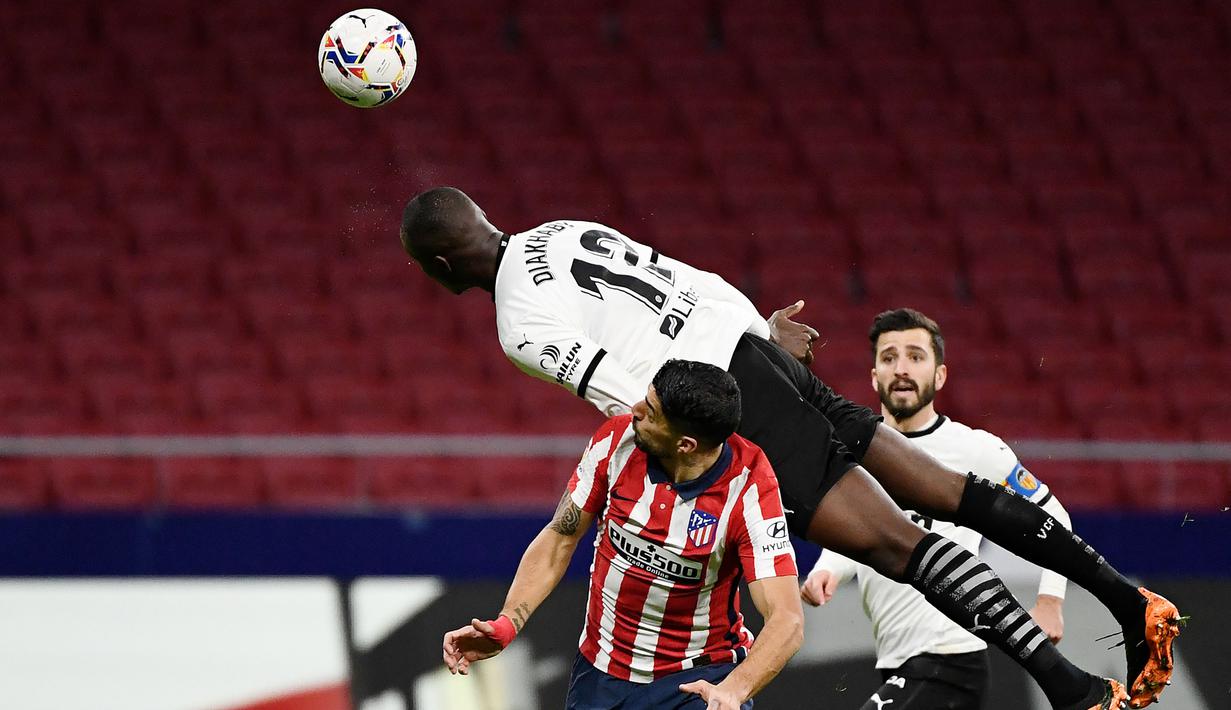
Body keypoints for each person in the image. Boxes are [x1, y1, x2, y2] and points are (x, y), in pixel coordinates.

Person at [401, 186, 1177, 710]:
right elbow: (686, 279)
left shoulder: (518, 324)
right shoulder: (558, 229)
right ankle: (1130, 603)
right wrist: (760, 336)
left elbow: (638, 404)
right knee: (942, 491)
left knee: (899, 546)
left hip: (737, 404)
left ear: (441, 268)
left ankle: (1073, 692)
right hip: (758, 352)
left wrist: (694, 453)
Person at [441, 359, 804, 709]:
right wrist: (507, 623)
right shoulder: (616, 441)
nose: (635, 410)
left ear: (685, 445)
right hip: (600, 676)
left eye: (651, 411)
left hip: (696, 682)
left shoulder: (750, 488)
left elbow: (786, 618)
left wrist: (734, 690)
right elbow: (559, 538)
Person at [800, 308, 1075, 710]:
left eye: (916, 356)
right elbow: (860, 531)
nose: (902, 368)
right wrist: (829, 570)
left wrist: (1051, 599)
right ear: (874, 376)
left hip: (951, 656)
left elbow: (1054, 517)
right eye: (889, 357)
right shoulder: (852, 457)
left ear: (940, 375)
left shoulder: (975, 449)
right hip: (896, 660)